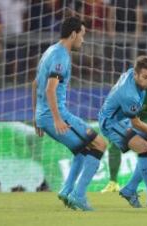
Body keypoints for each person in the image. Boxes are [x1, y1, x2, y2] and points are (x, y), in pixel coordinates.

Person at [32, 17, 107, 211]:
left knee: (82, 152)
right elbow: (49, 89)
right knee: (100, 144)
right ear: (73, 34)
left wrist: (35, 117)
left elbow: (35, 84)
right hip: (55, 116)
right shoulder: (61, 57)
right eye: (82, 35)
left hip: (44, 115)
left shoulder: (50, 51)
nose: (83, 40)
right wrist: (57, 118)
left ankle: (67, 191)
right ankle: (79, 195)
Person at [98, 55, 147, 208]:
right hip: (111, 123)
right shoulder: (130, 96)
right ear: (136, 74)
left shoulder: (132, 73)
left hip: (122, 119)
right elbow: (137, 123)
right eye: (145, 77)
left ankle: (129, 189)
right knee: (144, 147)